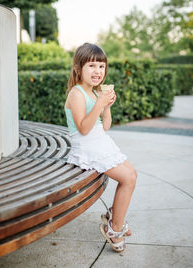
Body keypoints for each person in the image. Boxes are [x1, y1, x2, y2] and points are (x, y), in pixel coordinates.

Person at [64, 42, 137, 252]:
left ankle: (115, 215)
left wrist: (107, 108)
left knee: (132, 173)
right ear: (79, 68)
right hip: (87, 148)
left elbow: (104, 126)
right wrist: (99, 104)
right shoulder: (76, 94)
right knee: (128, 178)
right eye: (92, 66)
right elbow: (84, 129)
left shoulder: (96, 93)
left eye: (101, 66)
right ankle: (114, 229)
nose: (98, 71)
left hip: (100, 143)